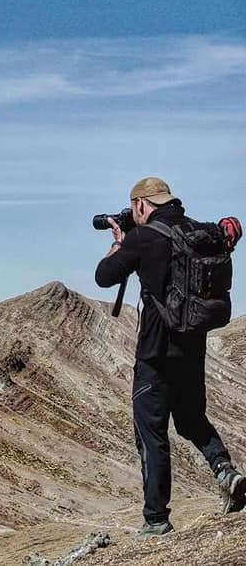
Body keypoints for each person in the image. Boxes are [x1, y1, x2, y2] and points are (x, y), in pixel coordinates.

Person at [95, 177, 245, 540]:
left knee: (151, 431)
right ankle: (225, 471)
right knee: (192, 418)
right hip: (192, 346)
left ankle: (156, 520)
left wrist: (119, 243)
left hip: (156, 352)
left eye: (133, 208)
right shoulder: (196, 231)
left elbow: (103, 277)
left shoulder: (142, 238)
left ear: (142, 205)